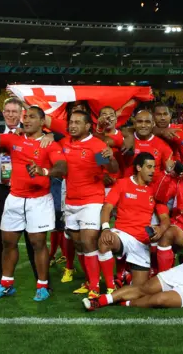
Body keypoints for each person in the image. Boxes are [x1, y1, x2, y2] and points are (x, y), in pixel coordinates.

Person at [0, 106, 67, 301]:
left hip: (39, 200)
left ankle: (43, 286)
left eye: (32, 117)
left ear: (42, 122)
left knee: (37, 244)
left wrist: (44, 171)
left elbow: (61, 167)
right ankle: (6, 284)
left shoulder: (50, 144)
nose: (26, 120)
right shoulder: (14, 140)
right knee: (8, 243)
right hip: (15, 198)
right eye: (25, 117)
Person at [61, 110, 119, 298]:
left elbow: (112, 169)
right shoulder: (64, 144)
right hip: (70, 201)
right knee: (78, 244)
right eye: (71, 122)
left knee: (89, 241)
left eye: (78, 122)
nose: (73, 125)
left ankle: (98, 287)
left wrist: (110, 158)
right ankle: (90, 281)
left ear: (88, 126)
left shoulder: (95, 145)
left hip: (91, 200)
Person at [97, 152, 170, 293]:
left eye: (154, 167)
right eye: (149, 167)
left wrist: (161, 229)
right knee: (105, 241)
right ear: (138, 167)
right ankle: (111, 288)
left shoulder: (155, 190)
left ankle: (126, 277)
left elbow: (165, 218)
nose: (153, 171)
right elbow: (107, 207)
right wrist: (105, 228)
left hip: (142, 242)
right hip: (122, 234)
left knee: (139, 291)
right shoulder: (122, 183)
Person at [122, 110, 174, 185]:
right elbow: (104, 149)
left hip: (152, 191)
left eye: (147, 122)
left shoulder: (162, 145)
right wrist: (103, 172)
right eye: (140, 122)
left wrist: (173, 170)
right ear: (134, 123)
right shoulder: (125, 140)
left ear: (153, 124)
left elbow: (170, 170)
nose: (143, 125)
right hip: (127, 191)